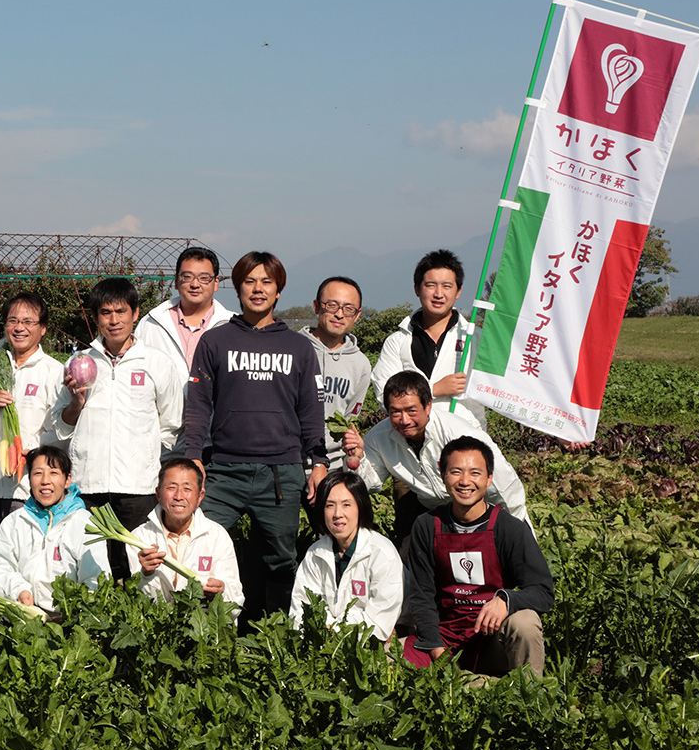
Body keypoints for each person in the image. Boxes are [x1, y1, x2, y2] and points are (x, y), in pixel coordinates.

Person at [184, 251, 328, 617]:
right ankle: (205, 631)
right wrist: (194, 456)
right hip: (224, 471)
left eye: (267, 282)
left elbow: (311, 409)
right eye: (249, 281)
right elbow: (199, 404)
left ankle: (275, 635)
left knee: (281, 558)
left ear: (279, 290)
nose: (258, 289)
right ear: (236, 288)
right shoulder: (215, 341)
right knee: (203, 548)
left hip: (281, 472)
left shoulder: (298, 347)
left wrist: (318, 461)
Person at [50, 277, 183, 579]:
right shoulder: (77, 363)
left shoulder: (156, 362)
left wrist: (146, 457)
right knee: (92, 563)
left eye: (121, 312)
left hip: (138, 486)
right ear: (96, 317)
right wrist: (76, 402)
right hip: (89, 485)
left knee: (137, 566)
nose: (114, 320)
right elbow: (61, 426)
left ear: (135, 313)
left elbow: (172, 422)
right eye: (106, 313)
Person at [403, 436, 553, 677]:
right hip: (445, 639)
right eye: (456, 472)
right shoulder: (427, 526)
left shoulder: (509, 528)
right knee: (389, 659)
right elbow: (422, 597)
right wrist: (437, 653)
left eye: (475, 473)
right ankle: (476, 686)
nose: (465, 481)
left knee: (525, 623)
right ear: (443, 476)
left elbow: (544, 592)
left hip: (492, 640)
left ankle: (527, 699)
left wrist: (506, 600)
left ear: (489, 478)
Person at [344, 371, 532, 547]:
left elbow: (503, 485)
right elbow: (370, 485)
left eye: (411, 411)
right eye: (395, 412)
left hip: (476, 509)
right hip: (433, 512)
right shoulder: (379, 438)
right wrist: (358, 459)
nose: (404, 420)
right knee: (412, 560)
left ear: (428, 407)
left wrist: (516, 528)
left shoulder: (458, 433)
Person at [0, 291, 65, 550]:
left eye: (28, 321)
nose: (19, 328)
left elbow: (60, 430)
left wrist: (35, 452)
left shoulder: (53, 371)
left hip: (31, 489)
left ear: (43, 328)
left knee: (31, 559)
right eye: (13, 321)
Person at [0, 446, 110, 610]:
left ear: (67, 480)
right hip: (23, 609)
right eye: (37, 473)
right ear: (29, 480)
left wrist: (72, 611)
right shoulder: (15, 521)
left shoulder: (85, 524)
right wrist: (19, 589)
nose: (45, 481)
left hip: (70, 616)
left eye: (53, 473)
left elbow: (96, 579)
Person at [371, 249, 485, 429]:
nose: (439, 294)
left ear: (458, 291)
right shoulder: (398, 341)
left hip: (465, 439)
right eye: (431, 285)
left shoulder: (475, 339)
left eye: (447, 286)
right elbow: (384, 395)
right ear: (417, 289)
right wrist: (435, 389)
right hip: (411, 441)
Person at [289, 472, 404, 642]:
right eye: (329, 505)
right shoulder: (315, 553)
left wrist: (332, 632)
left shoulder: (382, 553)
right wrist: (321, 635)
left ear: (361, 507)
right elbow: (300, 608)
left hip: (373, 644)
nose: (337, 514)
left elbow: (380, 622)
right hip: (322, 643)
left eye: (346, 505)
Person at [128, 458, 243, 611]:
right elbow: (139, 604)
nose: (179, 496)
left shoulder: (217, 536)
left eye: (187, 489)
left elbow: (235, 603)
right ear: (158, 493)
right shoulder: (139, 538)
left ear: (200, 496)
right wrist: (146, 574)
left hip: (202, 630)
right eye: (171, 487)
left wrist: (220, 594)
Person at [134, 246, 234, 411]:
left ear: (216, 283)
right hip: (164, 431)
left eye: (204, 278)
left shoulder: (232, 326)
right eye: (187, 277)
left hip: (216, 428)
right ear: (176, 281)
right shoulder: (152, 323)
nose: (195, 284)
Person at [299, 276, 373, 481]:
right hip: (289, 463)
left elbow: (349, 419)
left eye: (349, 309)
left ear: (357, 315)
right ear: (316, 306)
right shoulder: (292, 349)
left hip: (332, 466)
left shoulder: (361, 365)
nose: (339, 314)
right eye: (332, 305)